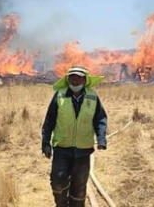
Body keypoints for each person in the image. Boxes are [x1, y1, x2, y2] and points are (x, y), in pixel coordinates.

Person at [41, 66, 108, 207]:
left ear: (85, 80)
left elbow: (100, 119)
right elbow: (49, 121)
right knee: (57, 182)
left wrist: (101, 138)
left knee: (79, 186)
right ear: (68, 79)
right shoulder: (59, 96)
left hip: (83, 150)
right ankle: (61, 204)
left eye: (79, 77)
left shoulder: (93, 96)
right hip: (61, 148)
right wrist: (45, 143)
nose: (75, 80)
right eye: (72, 77)